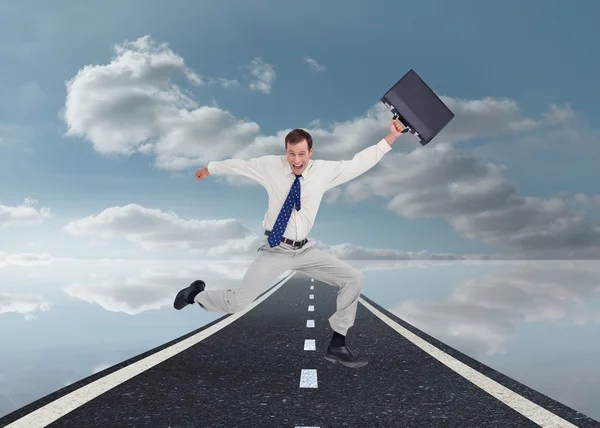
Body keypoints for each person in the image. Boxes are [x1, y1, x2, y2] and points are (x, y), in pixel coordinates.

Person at [174, 118, 405, 368]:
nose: (297, 160)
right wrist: (210, 168)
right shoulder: (270, 166)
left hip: (304, 250)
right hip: (275, 248)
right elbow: (241, 165)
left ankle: (338, 344)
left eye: (302, 154)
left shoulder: (323, 172)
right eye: (292, 153)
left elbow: (358, 164)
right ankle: (196, 294)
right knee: (238, 303)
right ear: (286, 152)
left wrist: (390, 138)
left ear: (310, 152)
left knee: (354, 278)